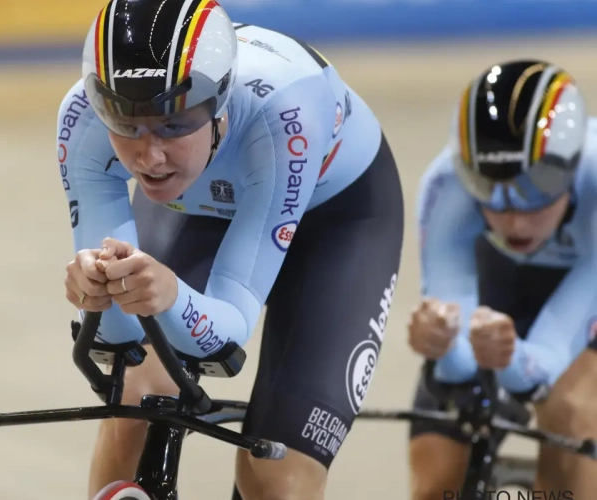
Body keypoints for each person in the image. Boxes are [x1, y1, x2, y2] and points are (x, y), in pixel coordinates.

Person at [56, 0, 404, 498]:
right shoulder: (82, 118)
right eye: (126, 124)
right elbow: (117, 339)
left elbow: (226, 331)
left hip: (338, 221)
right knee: (135, 395)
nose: (149, 156)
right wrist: (99, 293)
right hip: (195, 201)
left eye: (174, 124)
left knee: (277, 476)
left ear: (219, 103)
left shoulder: (284, 116)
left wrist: (169, 297)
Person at [407, 58, 597, 500]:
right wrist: (444, 345)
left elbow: (541, 367)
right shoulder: (446, 184)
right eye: (488, 190)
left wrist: (505, 358)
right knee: (437, 483)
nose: (514, 219)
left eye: (536, 191)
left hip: (582, 300)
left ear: (568, 171)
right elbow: (455, 366)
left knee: (569, 414)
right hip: (502, 288)